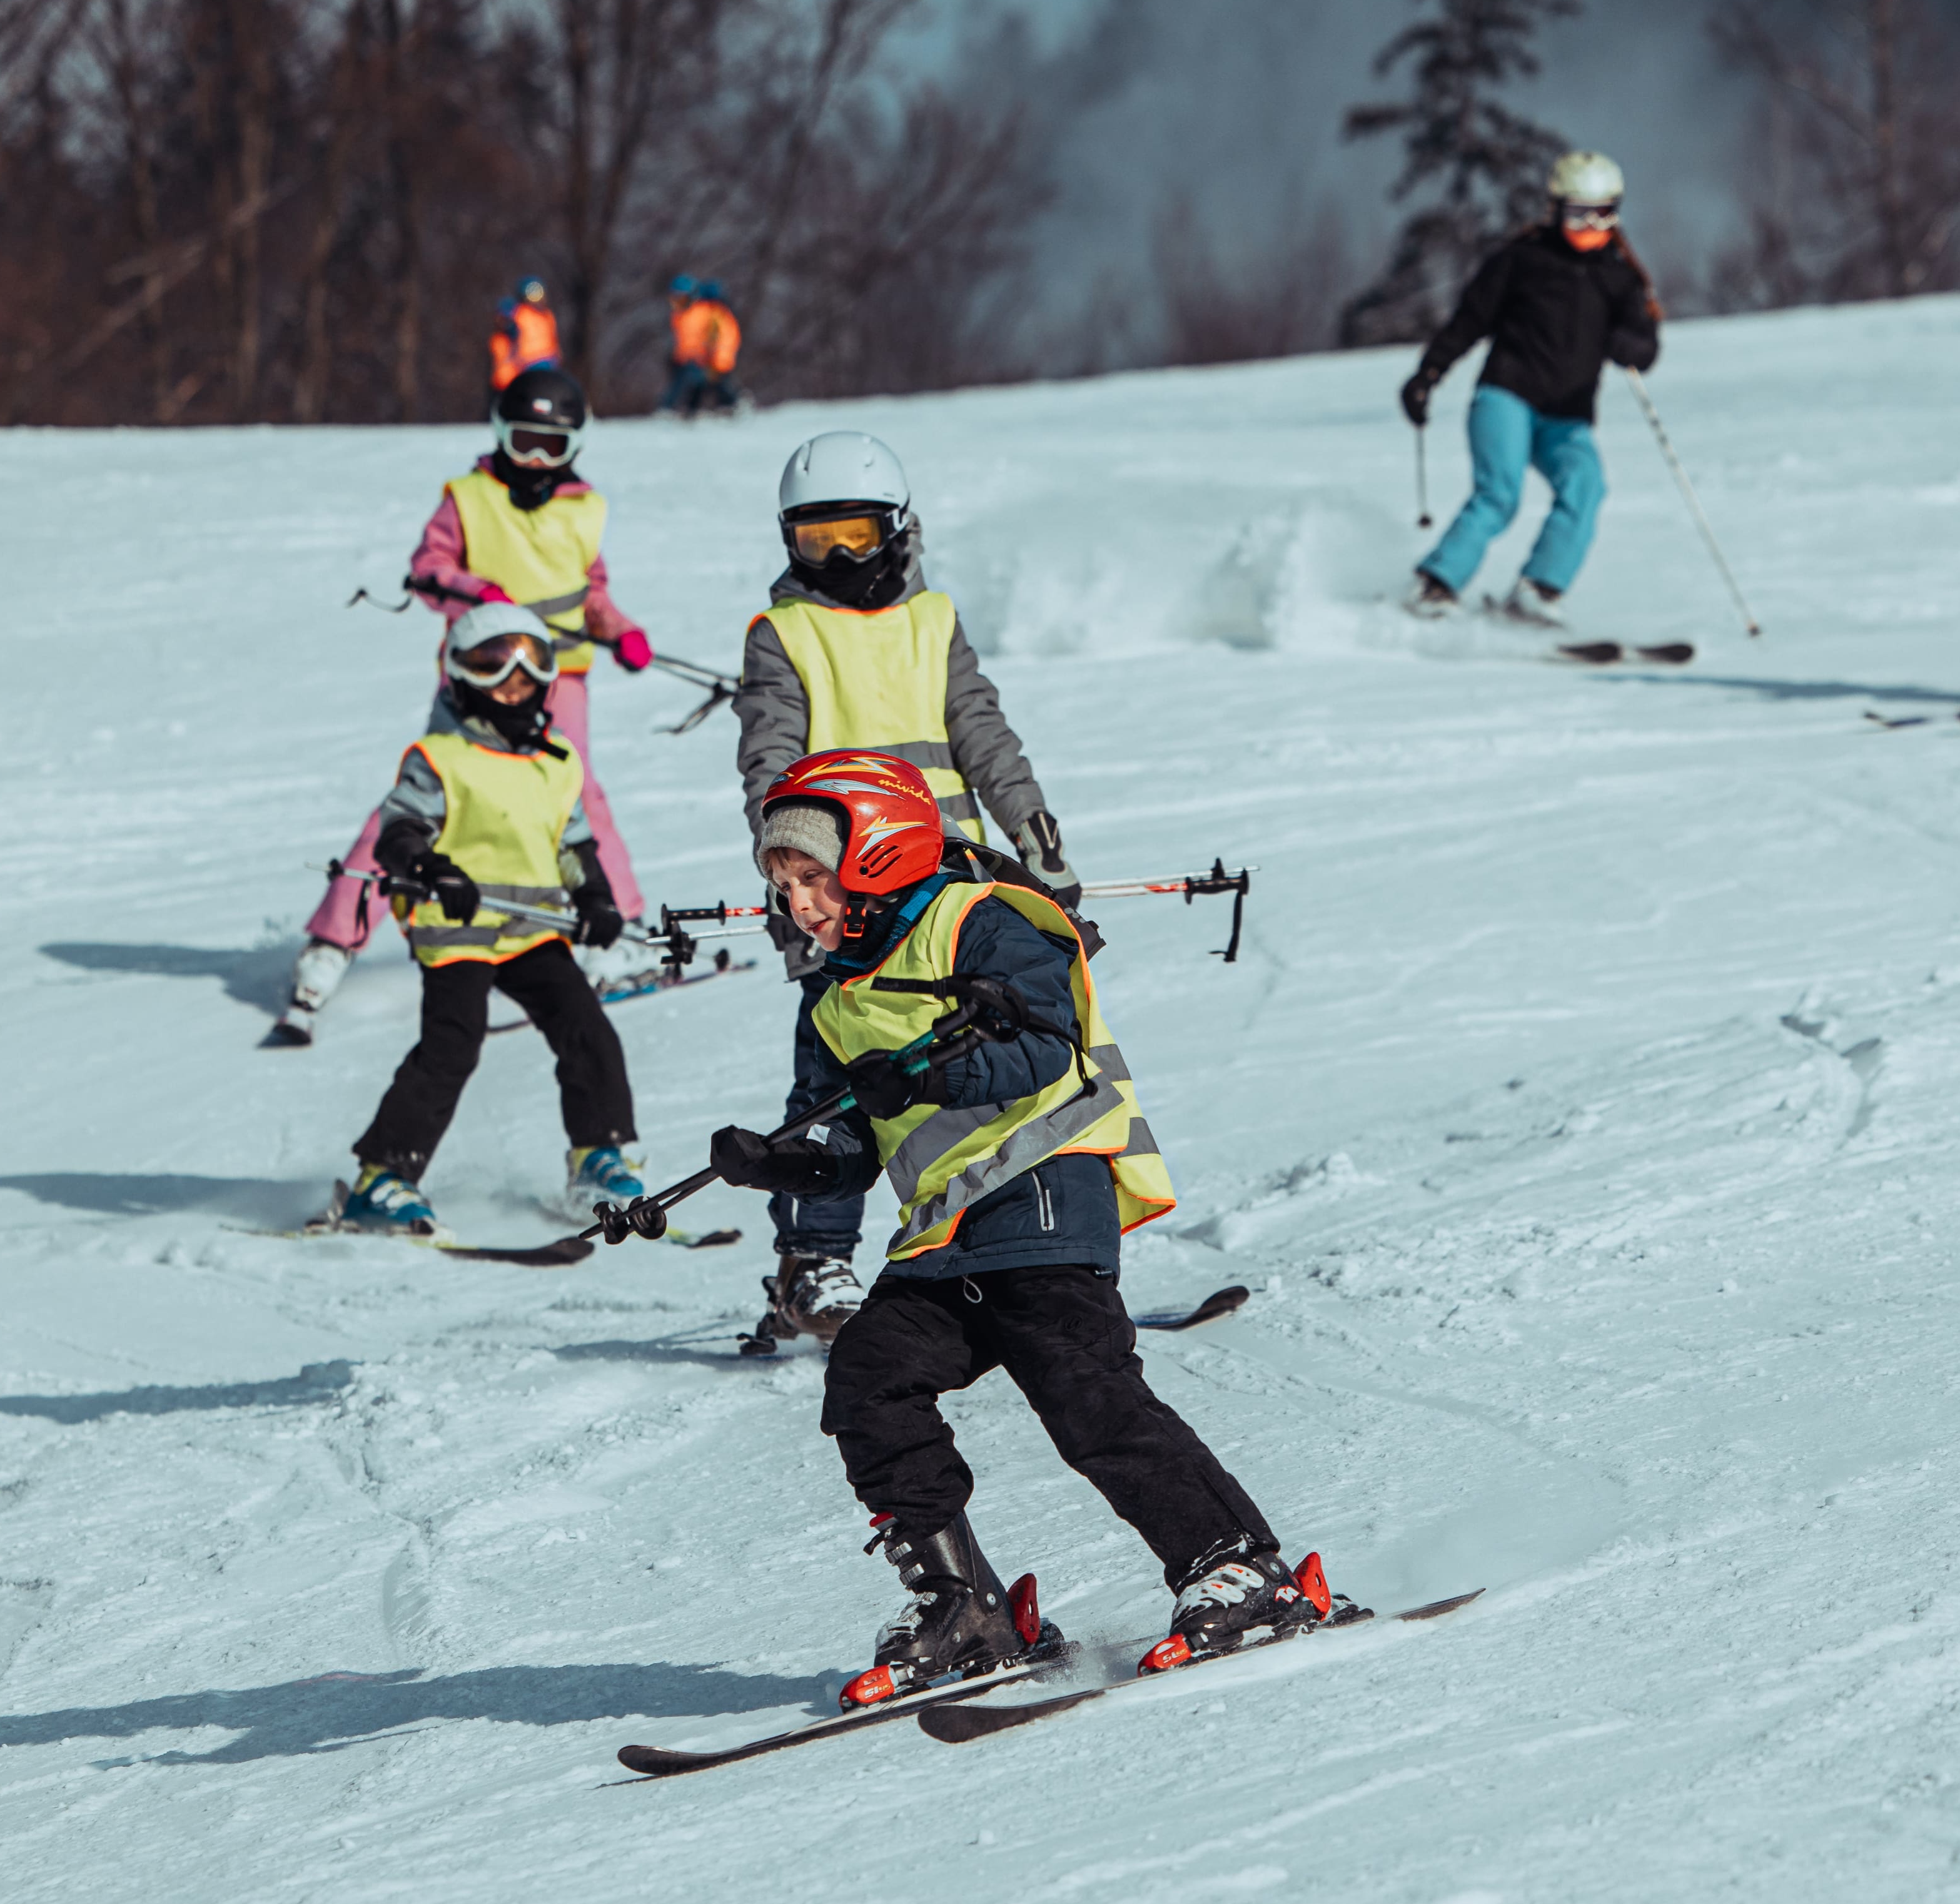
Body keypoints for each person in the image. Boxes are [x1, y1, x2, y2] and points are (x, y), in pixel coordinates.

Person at [706, 750, 1340, 1703]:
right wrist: (785, 1165)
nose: (797, 903)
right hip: (941, 1235)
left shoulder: (984, 920)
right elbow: (847, 1134)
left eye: (811, 877)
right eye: (782, 884)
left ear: (875, 852)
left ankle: (1238, 1568)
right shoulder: (838, 997)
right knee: (870, 1378)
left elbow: (1045, 1045)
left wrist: (926, 1073)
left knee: (1082, 1389)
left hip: (1044, 1187)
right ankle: (963, 1602)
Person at [733, 430, 1079, 1348]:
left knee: (981, 1054)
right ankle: (814, 1258)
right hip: (843, 891)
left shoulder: (934, 622)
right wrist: (791, 873)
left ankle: (1012, 1242)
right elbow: (769, 762)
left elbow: (985, 737)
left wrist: (1040, 850)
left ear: (897, 527)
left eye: (853, 532)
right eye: (816, 540)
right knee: (840, 1065)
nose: (840, 556)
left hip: (950, 882)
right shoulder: (785, 633)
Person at [282, 366, 656, 1040]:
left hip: (556, 683)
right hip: (474, 683)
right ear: (498, 434)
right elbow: (427, 570)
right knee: (415, 802)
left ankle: (621, 924)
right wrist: (473, 591)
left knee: (578, 797)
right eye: (523, 442)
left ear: (576, 445)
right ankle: (333, 940)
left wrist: (620, 630)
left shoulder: (585, 508)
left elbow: (590, 594)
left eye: (552, 445)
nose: (536, 460)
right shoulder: (470, 497)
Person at [329, 605, 640, 1234]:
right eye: (498, 675)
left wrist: (597, 901)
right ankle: (382, 1177)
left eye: (529, 677)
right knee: (453, 1044)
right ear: (463, 680)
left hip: (531, 929)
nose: (515, 689)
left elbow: (572, 847)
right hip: (456, 927)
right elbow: (399, 832)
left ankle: (597, 1157)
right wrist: (432, 867)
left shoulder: (557, 762)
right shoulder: (440, 757)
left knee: (587, 1030)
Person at [1398, 149, 1662, 626]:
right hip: (1507, 396)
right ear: (1556, 208)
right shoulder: (1523, 260)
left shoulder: (1620, 278)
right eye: (1579, 214)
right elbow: (1469, 321)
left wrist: (1631, 346)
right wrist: (1428, 376)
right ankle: (1435, 586)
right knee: (1500, 493)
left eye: (1604, 215)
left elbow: (1646, 343)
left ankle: (1537, 590)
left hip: (1568, 412)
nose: (1591, 228)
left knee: (1586, 486)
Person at [488, 279, 560, 388]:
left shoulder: (548, 316)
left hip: (549, 364)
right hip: (525, 366)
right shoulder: (519, 313)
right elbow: (504, 320)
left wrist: (557, 356)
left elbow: (553, 341)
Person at [661, 275, 714, 417]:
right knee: (688, 382)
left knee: (699, 382)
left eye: (682, 299)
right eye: (675, 299)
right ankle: (685, 409)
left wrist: (708, 354)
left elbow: (711, 336)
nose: (677, 303)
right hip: (685, 357)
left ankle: (669, 408)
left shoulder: (703, 312)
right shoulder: (679, 315)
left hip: (700, 357)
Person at [695, 281, 742, 413]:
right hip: (720, 356)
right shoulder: (722, 314)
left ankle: (734, 404)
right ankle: (728, 406)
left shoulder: (717, 315)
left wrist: (714, 355)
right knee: (712, 383)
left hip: (719, 357)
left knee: (719, 384)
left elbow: (718, 338)